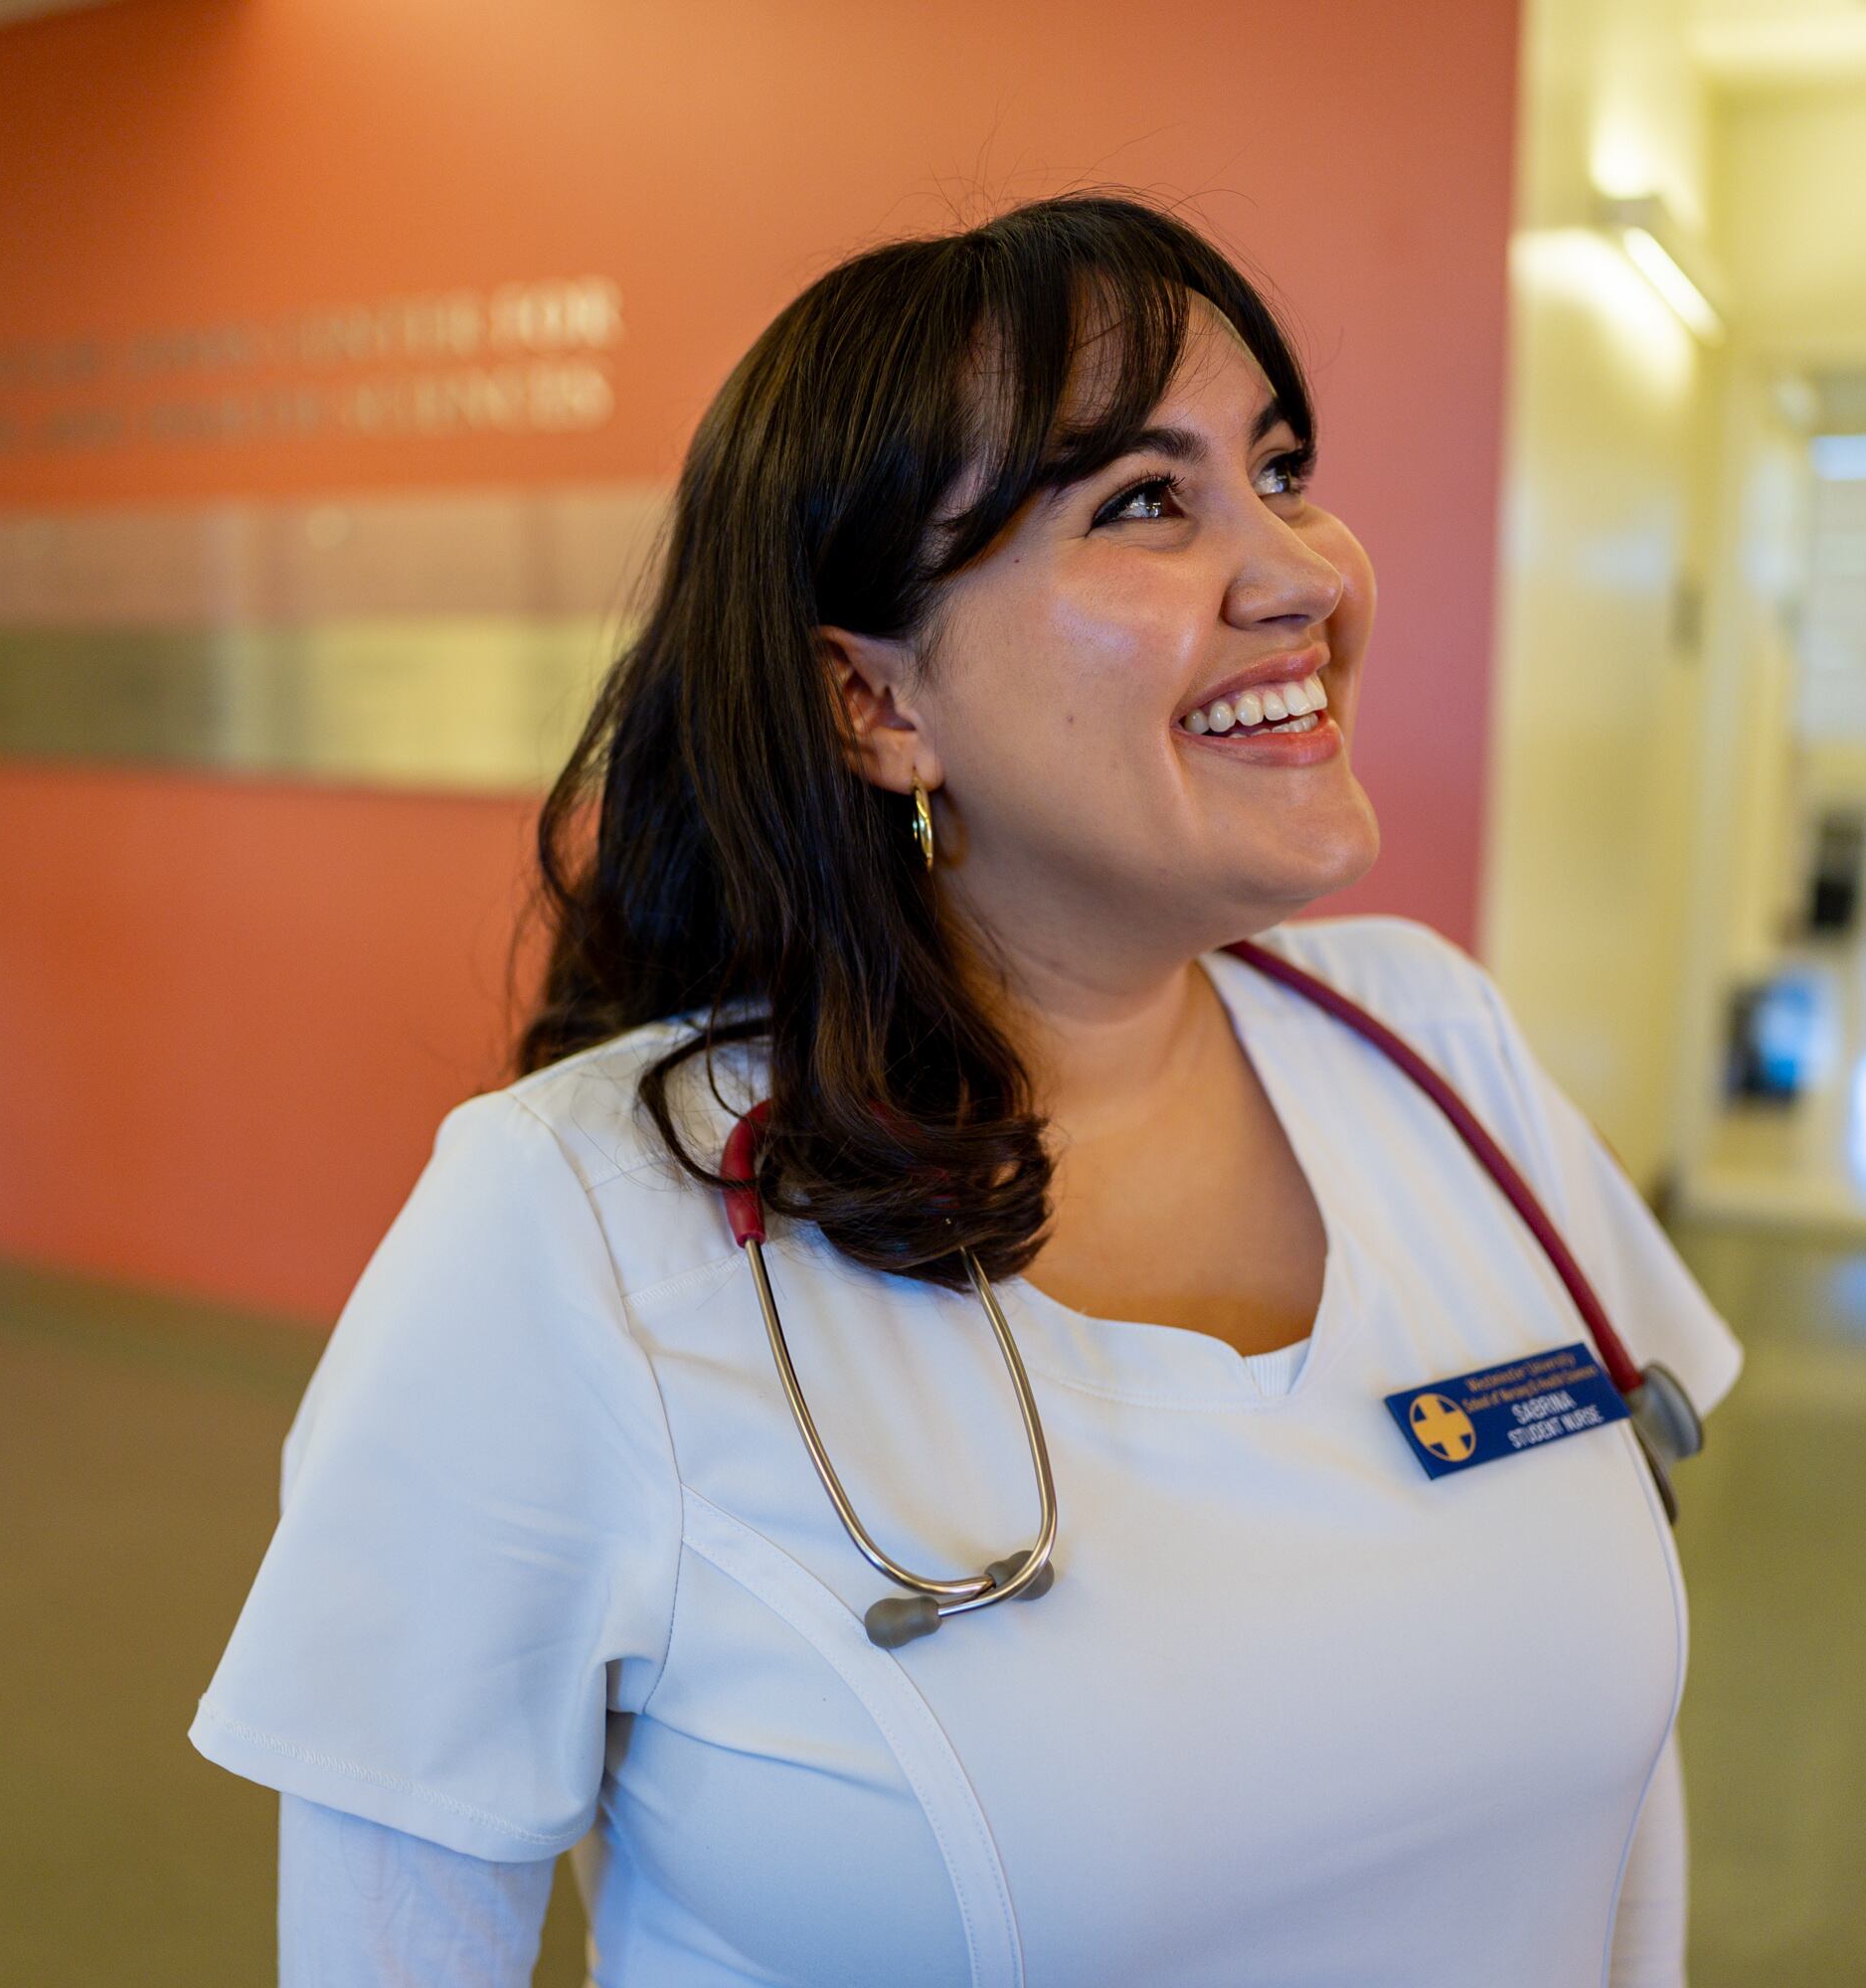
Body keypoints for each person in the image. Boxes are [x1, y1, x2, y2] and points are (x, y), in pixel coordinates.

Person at [193, 193, 1741, 1986]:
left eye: (1280, 471)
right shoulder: (572, 1226)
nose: (1311, 573)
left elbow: (1621, 1818)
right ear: (876, 705)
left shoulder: (1432, 1044)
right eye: (1145, 501)